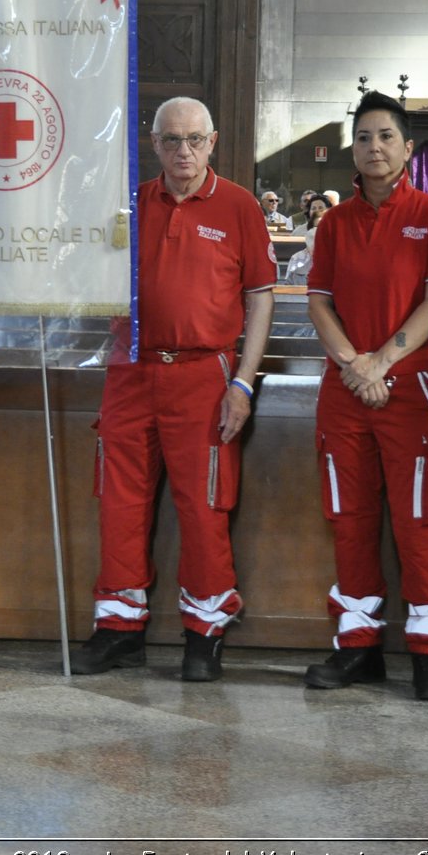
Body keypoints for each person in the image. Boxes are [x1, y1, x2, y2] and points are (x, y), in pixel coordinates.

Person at [69, 96, 275, 683]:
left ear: (212, 142)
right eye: (170, 140)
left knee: (205, 504)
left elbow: (259, 297)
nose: (182, 151)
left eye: (193, 140)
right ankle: (118, 628)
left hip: (203, 376)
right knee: (119, 501)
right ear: (152, 144)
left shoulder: (238, 207)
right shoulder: (128, 206)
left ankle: (204, 632)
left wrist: (242, 382)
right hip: (130, 371)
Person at [303, 91, 428, 701]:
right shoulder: (335, 222)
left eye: (386, 137)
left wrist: (382, 360)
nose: (375, 147)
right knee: (349, 514)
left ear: (408, 149)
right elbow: (319, 300)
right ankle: (358, 647)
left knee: (418, 515)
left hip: (409, 385)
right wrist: (352, 364)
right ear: (354, 147)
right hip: (347, 390)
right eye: (365, 136)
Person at [286, 198, 330, 286]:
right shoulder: (299, 231)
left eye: (321, 208)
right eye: (313, 208)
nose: (317, 210)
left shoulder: (334, 230)